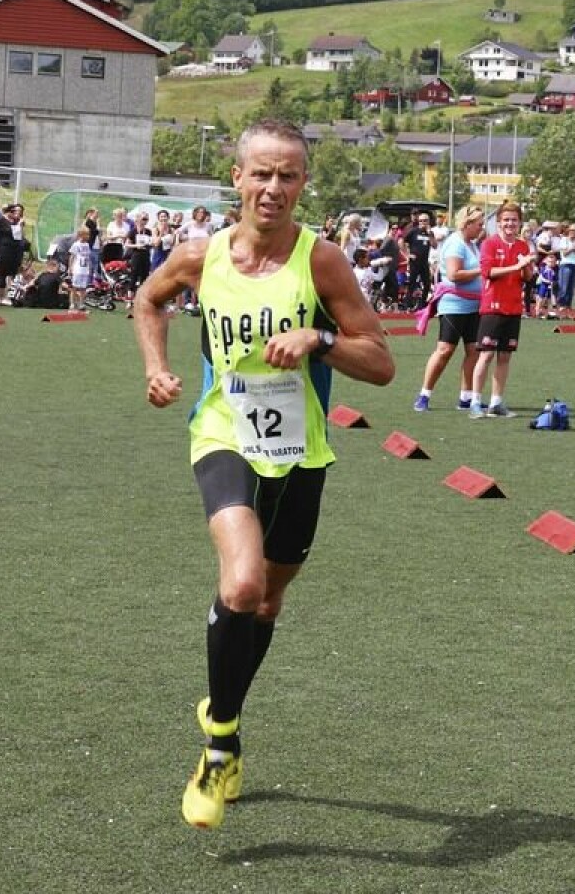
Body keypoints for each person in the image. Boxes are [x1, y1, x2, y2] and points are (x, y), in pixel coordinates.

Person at [132, 119, 394, 830]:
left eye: (289, 176)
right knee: (241, 583)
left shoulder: (323, 263)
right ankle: (219, 749)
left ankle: (225, 710)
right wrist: (157, 367)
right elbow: (149, 299)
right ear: (238, 178)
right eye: (262, 174)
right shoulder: (199, 255)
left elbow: (380, 361)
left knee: (269, 604)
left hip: (301, 451)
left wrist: (322, 338)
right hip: (224, 433)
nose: (273, 188)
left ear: (304, 183)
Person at [412, 205, 484, 412]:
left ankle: (466, 397)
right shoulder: (455, 244)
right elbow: (454, 275)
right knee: (444, 351)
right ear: (467, 224)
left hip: (474, 305)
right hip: (454, 305)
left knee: (473, 351)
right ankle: (424, 395)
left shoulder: (472, 244)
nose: (481, 228)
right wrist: (482, 270)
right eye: (478, 224)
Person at [469, 201, 535, 419]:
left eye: (514, 220)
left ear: (519, 223)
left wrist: (526, 266)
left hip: (514, 308)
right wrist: (516, 266)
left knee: (505, 356)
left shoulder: (523, 246)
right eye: (506, 220)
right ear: (498, 223)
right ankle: (475, 402)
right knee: (486, 354)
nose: (510, 224)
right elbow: (487, 272)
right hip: (492, 308)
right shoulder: (489, 244)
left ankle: (496, 402)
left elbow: (527, 277)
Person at [401, 210, 437, 309]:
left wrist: (430, 234)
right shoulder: (414, 231)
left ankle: (423, 304)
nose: (422, 223)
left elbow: (435, 245)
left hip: (424, 262)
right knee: (412, 283)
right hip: (414, 262)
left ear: (429, 221)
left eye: (425, 221)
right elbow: (401, 241)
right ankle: (407, 305)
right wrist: (407, 254)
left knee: (427, 284)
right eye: (421, 221)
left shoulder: (430, 233)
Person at [67, 227, 93, 312]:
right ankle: (72, 304)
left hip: (85, 270)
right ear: (81, 235)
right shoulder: (76, 245)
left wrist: (89, 268)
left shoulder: (87, 245)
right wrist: (70, 268)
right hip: (78, 269)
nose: (88, 236)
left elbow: (88, 257)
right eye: (87, 234)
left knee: (83, 288)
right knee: (74, 287)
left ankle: (82, 304)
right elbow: (72, 257)